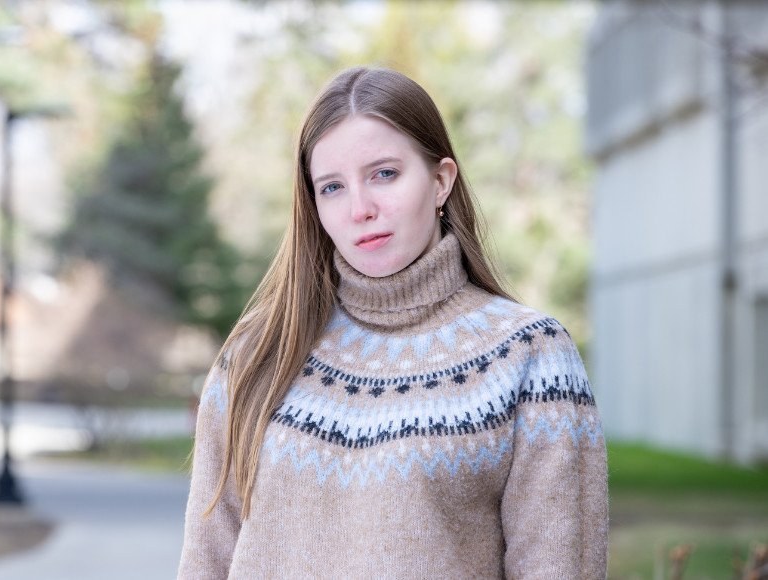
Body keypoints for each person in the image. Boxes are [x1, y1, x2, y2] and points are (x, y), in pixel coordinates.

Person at [177, 66, 607, 579]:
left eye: (384, 174)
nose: (360, 209)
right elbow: (206, 560)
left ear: (441, 180)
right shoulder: (257, 354)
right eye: (332, 187)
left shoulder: (531, 357)